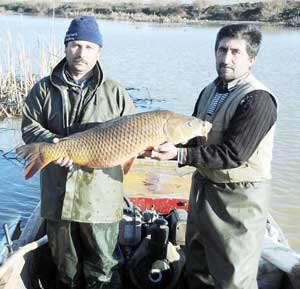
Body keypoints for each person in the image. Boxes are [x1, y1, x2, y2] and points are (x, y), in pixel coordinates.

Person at [148, 24, 277, 289]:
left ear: (252, 59)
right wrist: (161, 143)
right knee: (197, 268)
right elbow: (196, 138)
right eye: (221, 49)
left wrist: (179, 154)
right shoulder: (210, 90)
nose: (225, 58)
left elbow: (234, 154)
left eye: (235, 52)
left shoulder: (258, 99)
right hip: (202, 193)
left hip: (239, 200)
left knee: (233, 278)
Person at [21, 16, 135, 289]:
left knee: (103, 271)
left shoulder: (116, 93)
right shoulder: (43, 89)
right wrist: (54, 142)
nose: (81, 53)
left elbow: (135, 135)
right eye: (75, 45)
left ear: (98, 51)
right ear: (65, 46)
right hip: (58, 199)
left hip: (101, 202)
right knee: (66, 272)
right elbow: (29, 127)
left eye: (88, 47)